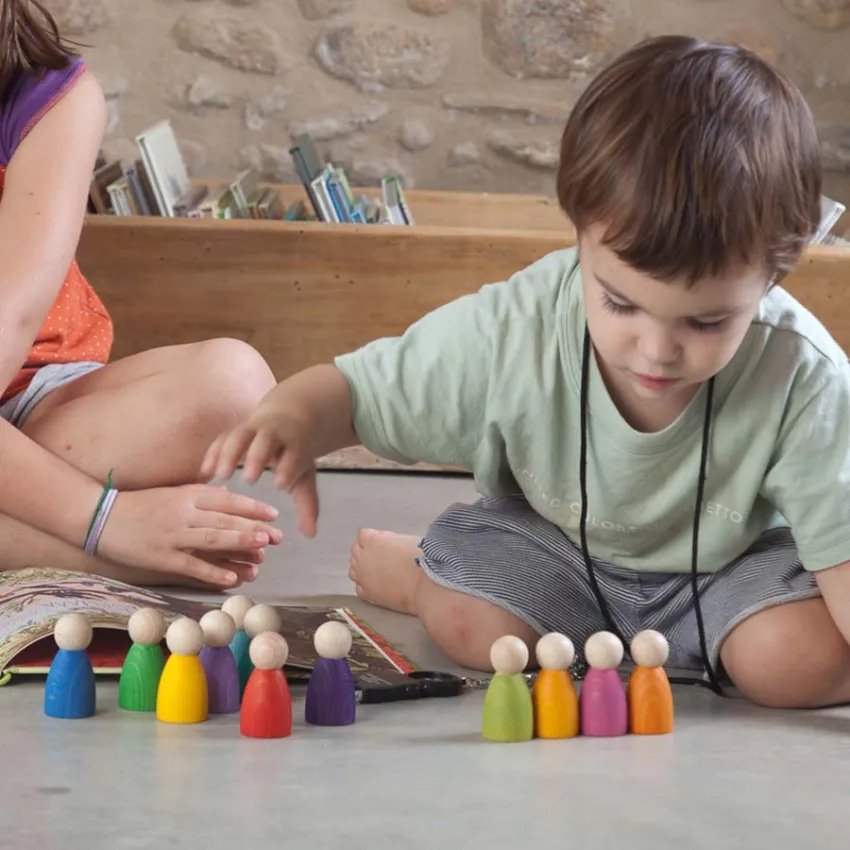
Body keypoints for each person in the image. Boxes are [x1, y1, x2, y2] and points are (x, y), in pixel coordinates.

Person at [202, 35, 850, 710]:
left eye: (707, 322)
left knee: (799, 665)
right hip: (555, 554)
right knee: (472, 628)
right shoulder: (521, 329)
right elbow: (366, 391)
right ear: (580, 233)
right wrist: (297, 417)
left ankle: (703, 646)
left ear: (777, 270)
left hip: (728, 571)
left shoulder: (805, 378)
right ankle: (414, 576)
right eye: (621, 303)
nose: (655, 350)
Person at [0, 0, 282, 589]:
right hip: (52, 469)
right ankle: (104, 554)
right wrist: (107, 523)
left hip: (35, 400)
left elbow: (12, 320)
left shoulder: (51, 96)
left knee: (236, 381)